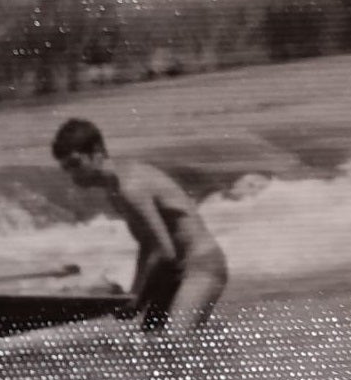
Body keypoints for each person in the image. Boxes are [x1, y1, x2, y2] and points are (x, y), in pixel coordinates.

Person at [51, 118, 226, 334]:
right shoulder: (114, 189)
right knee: (152, 341)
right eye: (66, 168)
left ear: (97, 152)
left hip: (201, 266)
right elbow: (148, 244)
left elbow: (165, 251)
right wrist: (136, 295)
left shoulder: (129, 187)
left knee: (174, 342)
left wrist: (137, 297)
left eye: (76, 164)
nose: (73, 175)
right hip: (175, 270)